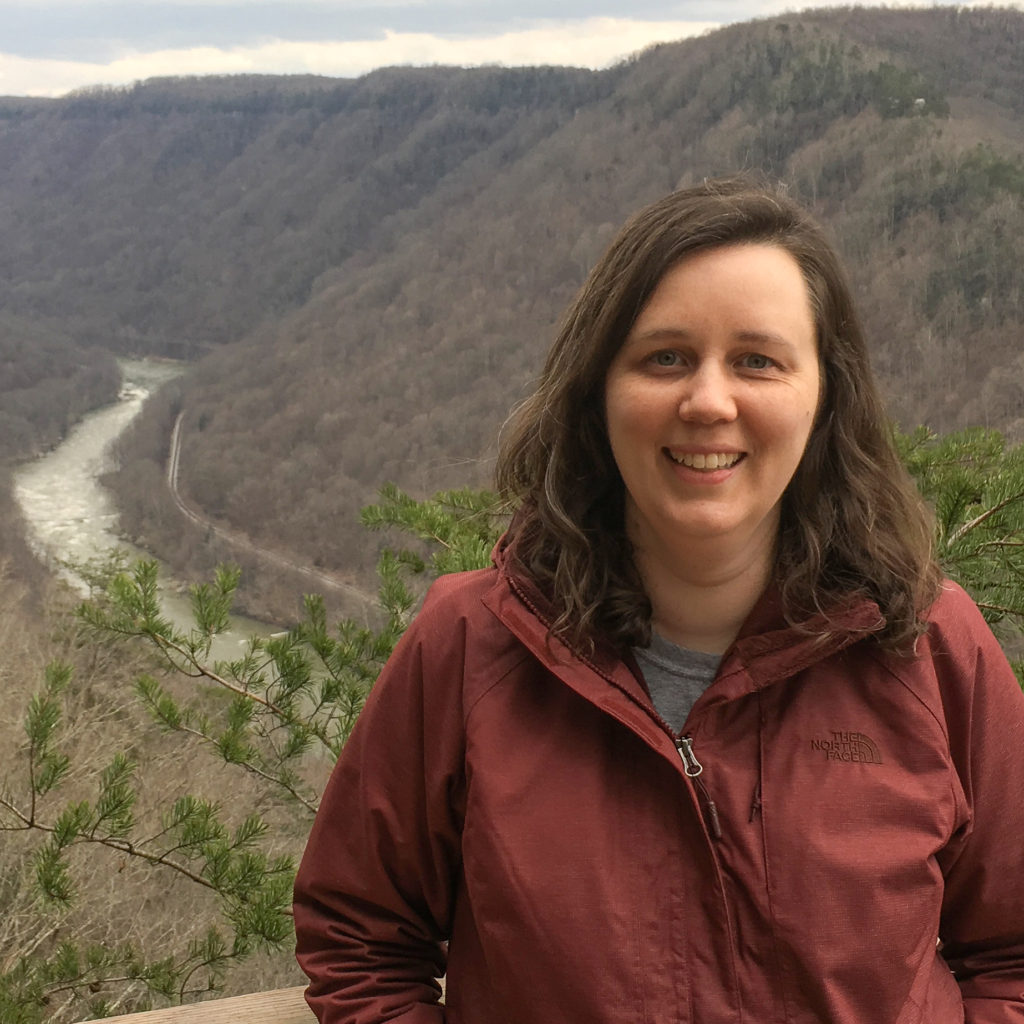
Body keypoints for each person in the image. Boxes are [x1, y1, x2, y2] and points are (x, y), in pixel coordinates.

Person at [292, 177, 1024, 1023]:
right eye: (665, 357)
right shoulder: (471, 645)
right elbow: (360, 939)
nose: (708, 401)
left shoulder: (929, 645)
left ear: (825, 396)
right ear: (599, 390)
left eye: (758, 360)